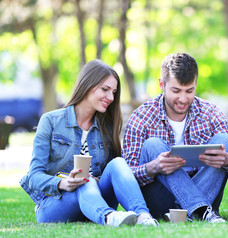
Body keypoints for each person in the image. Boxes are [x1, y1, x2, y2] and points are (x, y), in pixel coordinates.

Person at [20, 59, 158, 227]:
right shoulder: (51, 121)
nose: (110, 97)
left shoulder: (106, 127)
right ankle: (109, 218)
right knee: (84, 180)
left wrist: (97, 180)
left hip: (94, 199)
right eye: (105, 90)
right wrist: (64, 183)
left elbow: (112, 174)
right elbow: (34, 176)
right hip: (56, 203)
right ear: (87, 85)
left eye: (113, 92)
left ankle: (143, 216)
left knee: (118, 163)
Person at [122, 53, 228, 222]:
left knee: (225, 140)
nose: (183, 99)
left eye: (189, 91)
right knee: (153, 145)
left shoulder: (209, 112)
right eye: (176, 91)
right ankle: (199, 210)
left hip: (206, 189)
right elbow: (125, 175)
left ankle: (190, 211)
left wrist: (227, 159)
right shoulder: (142, 116)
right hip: (162, 198)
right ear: (162, 84)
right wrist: (153, 167)